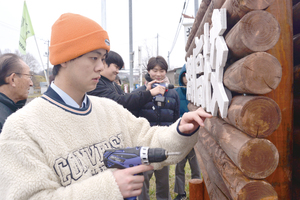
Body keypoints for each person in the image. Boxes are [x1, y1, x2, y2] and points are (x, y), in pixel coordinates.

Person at [0, 13, 212, 200]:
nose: (101, 67)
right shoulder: (21, 128)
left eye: (102, 59)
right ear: (64, 59)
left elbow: (149, 140)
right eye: (93, 58)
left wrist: (181, 131)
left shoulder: (108, 109)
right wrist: (109, 188)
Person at [133, 56, 180, 200]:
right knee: (143, 180)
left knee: (163, 181)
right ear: (148, 71)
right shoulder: (140, 93)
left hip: (163, 141)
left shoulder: (172, 93)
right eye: (155, 70)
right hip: (144, 143)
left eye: (162, 70)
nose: (158, 74)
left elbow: (175, 119)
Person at [88, 50, 166, 116]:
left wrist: (146, 93)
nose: (117, 71)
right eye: (116, 67)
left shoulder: (114, 85)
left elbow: (128, 106)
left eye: (162, 71)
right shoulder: (96, 83)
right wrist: (149, 93)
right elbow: (119, 102)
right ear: (104, 63)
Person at [173, 64, 201, 200]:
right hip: (181, 135)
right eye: (186, 75)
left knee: (196, 166)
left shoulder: (200, 93)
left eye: (192, 75)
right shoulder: (176, 93)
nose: (188, 79)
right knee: (180, 166)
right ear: (181, 77)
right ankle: (180, 192)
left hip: (197, 136)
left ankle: (198, 190)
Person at [0, 53, 33, 132]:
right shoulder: (4, 121)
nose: (31, 83)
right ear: (13, 79)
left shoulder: (10, 110)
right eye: (28, 76)